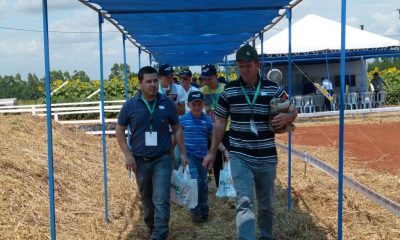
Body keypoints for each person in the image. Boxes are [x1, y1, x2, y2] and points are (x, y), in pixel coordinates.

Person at [203, 44, 298, 240]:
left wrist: (288, 118)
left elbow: (293, 109)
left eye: (248, 66)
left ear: (257, 65)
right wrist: (212, 151)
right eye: (240, 66)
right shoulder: (229, 90)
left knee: (266, 205)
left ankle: (266, 236)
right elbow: (220, 121)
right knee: (244, 202)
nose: (244, 70)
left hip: (266, 156)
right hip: (240, 156)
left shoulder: (273, 88)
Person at [116, 66, 189, 240]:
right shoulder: (130, 106)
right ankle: (152, 227)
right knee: (147, 202)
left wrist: (183, 153)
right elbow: (120, 131)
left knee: (161, 199)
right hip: (139, 161)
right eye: (148, 81)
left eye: (155, 81)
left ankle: (160, 234)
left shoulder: (167, 103)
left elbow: (177, 128)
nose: (153, 85)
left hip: (162, 159)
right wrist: (128, 155)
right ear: (140, 83)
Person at [179, 91, 228, 223]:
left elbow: (213, 137)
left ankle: (204, 210)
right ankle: (196, 212)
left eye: (199, 103)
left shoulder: (207, 120)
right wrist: (173, 152)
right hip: (190, 158)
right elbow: (176, 137)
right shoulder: (182, 120)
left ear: (203, 105)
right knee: (195, 183)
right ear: (189, 104)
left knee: (204, 185)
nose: (196, 106)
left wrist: (223, 150)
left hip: (203, 158)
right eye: (193, 103)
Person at [199, 64, 228, 188]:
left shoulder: (225, 89)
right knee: (215, 160)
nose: (207, 82)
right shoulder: (202, 91)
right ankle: (219, 187)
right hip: (211, 130)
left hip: (227, 129)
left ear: (216, 76)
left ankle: (230, 185)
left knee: (229, 157)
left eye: (209, 78)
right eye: (204, 79)